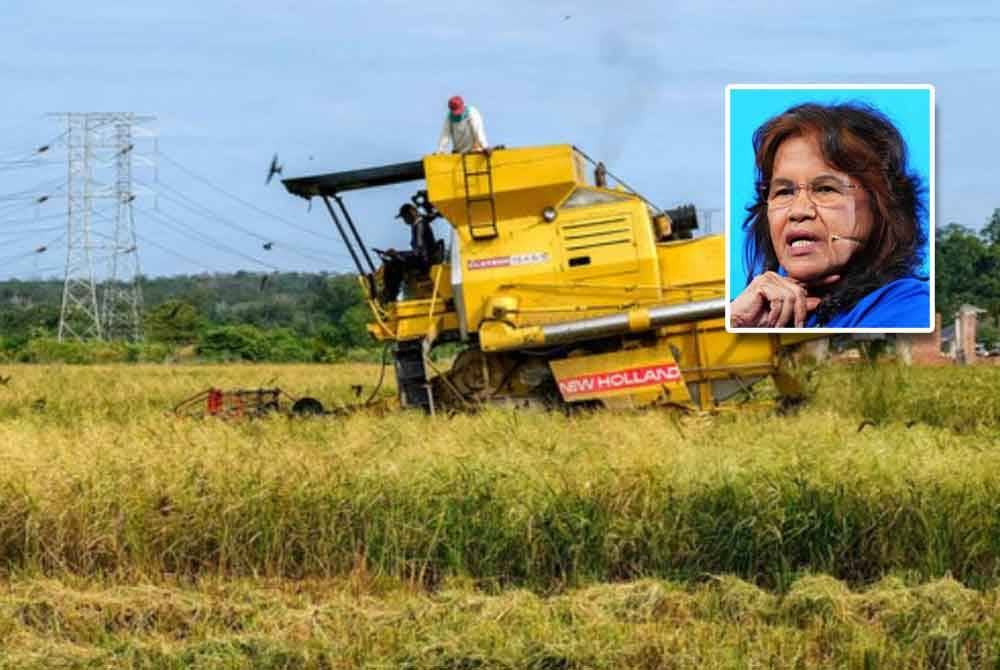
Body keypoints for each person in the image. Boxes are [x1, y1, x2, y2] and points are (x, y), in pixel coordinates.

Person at [730, 102, 929, 329]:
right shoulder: (751, 312)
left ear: (881, 204)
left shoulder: (906, 309)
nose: (798, 211)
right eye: (784, 192)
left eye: (825, 189)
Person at [380, 203, 438, 304]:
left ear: (412, 212)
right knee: (393, 261)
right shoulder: (419, 224)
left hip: (424, 262)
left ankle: (390, 295)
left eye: (404, 217)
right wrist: (398, 254)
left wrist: (397, 255)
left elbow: (419, 250)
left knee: (393, 264)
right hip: (423, 259)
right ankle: (390, 294)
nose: (404, 220)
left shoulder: (419, 225)